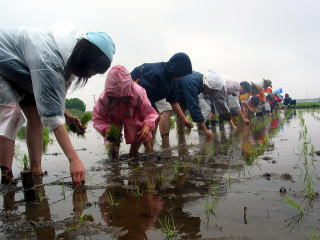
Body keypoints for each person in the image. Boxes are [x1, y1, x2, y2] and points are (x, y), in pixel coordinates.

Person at [0, 24, 115, 186]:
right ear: (86, 58)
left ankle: (36, 170)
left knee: (35, 118)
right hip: (4, 63)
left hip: (24, 72)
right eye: (94, 70)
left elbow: (55, 97)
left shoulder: (69, 62)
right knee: (11, 115)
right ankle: (6, 177)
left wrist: (67, 115)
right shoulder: (49, 58)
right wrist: (74, 160)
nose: (92, 75)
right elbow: (52, 118)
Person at [93, 65, 159, 159]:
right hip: (113, 117)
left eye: (123, 97)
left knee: (140, 129)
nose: (120, 100)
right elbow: (98, 118)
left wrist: (147, 125)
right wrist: (106, 129)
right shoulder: (104, 99)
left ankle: (136, 154)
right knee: (112, 136)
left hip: (132, 115)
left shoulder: (138, 92)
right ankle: (114, 159)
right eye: (116, 98)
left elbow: (149, 112)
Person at [130, 52, 193, 147]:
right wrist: (148, 119)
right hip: (133, 92)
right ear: (177, 69)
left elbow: (173, 101)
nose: (181, 77)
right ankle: (143, 148)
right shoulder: (157, 73)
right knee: (148, 120)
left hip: (147, 96)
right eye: (181, 74)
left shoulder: (172, 80)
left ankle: (148, 145)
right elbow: (141, 91)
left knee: (153, 118)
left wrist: (184, 119)